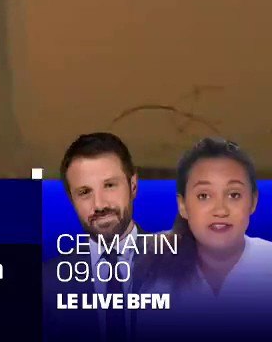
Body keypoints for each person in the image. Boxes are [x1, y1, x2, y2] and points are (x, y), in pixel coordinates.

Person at [134, 138, 272, 338]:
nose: (220, 210)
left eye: (234, 195)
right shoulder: (147, 266)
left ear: (253, 202)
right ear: (182, 206)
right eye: (204, 196)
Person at [44, 132, 154, 342]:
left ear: (133, 186)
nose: (100, 204)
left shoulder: (183, 268)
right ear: (71, 199)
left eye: (110, 185)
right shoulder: (48, 284)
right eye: (85, 192)